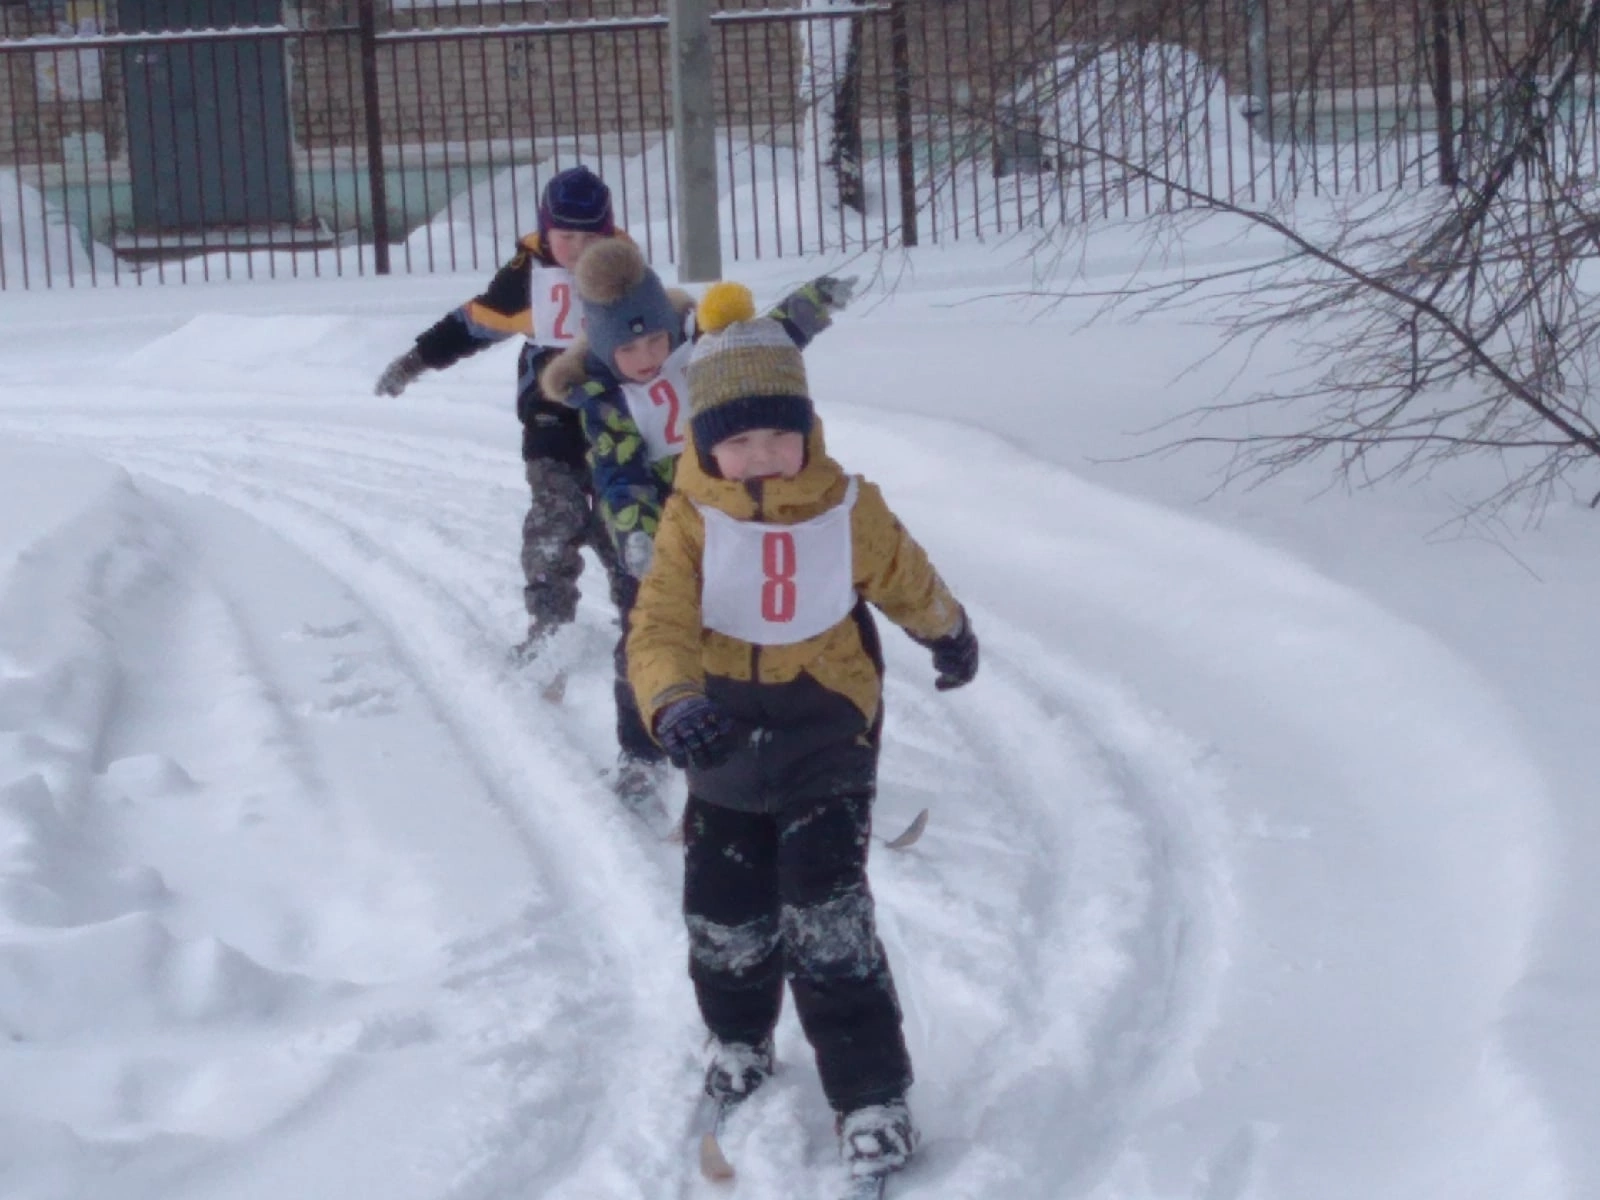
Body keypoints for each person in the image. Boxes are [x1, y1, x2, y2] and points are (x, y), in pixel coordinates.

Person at [624, 284, 981, 1182]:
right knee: (723, 915)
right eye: (737, 439)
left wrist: (947, 629)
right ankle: (740, 1036)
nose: (761, 457)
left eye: (778, 434)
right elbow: (658, 625)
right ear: (707, 442)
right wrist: (673, 704)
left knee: (827, 918)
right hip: (719, 739)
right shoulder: (690, 517)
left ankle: (870, 1096)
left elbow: (904, 574)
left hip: (827, 729)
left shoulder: (848, 506)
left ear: (808, 427)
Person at [537, 242, 852, 811]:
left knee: (748, 626)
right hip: (653, 537)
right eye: (630, 347)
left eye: (657, 337)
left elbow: (758, 348)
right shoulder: (606, 401)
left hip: (728, 519)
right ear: (606, 346)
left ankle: (770, 744)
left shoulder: (701, 349)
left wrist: (805, 310)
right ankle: (640, 753)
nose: (649, 354)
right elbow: (619, 473)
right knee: (651, 638)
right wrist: (637, 533)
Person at [371, 164, 625, 660]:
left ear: (608, 233)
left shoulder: (625, 274)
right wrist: (416, 360)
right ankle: (551, 621)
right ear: (545, 232)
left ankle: (644, 619)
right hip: (550, 416)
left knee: (626, 517)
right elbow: (473, 323)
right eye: (564, 235)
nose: (575, 249)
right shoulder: (526, 278)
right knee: (557, 515)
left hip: (618, 420)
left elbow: (662, 333)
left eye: (588, 236)